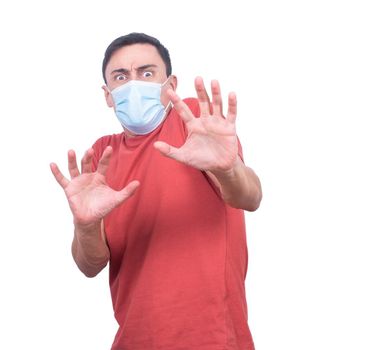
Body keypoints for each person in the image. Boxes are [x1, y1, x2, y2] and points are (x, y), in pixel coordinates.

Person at [50, 32, 262, 350]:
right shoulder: (101, 155)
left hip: (211, 340)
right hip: (132, 341)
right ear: (108, 94)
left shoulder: (194, 125)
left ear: (171, 84)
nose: (134, 83)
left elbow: (250, 196)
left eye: (146, 73)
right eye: (121, 77)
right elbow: (89, 264)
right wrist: (86, 225)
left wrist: (227, 168)